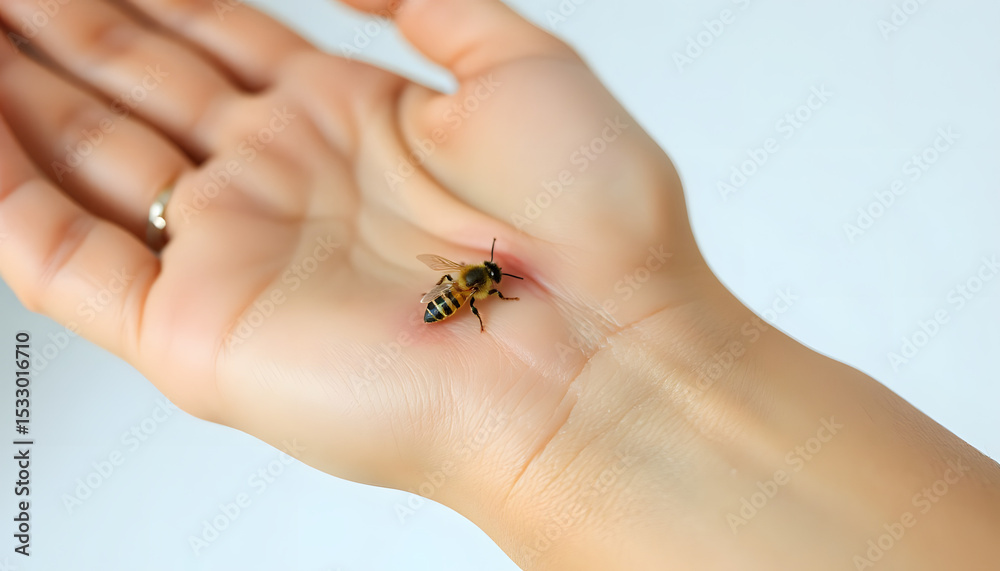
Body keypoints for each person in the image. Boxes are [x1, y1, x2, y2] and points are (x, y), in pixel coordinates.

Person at [0, 0, 996, 568]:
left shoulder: (479, 284)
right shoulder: (473, 285)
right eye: (480, 283)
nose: (480, 284)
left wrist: (574, 396)